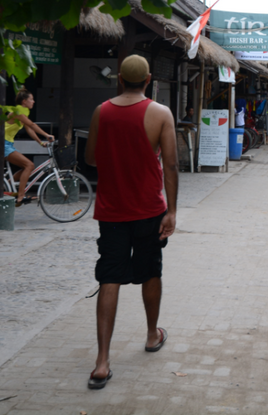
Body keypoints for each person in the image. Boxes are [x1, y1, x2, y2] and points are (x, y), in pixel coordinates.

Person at [84, 55, 178, 391]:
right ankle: (152, 335)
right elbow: (171, 165)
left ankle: (102, 362)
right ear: (149, 79)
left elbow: (91, 158)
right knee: (151, 271)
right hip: (149, 209)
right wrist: (172, 211)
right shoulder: (160, 114)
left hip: (111, 210)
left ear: (120, 79)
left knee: (109, 277)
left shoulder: (101, 111)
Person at [5, 89, 54, 207]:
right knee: (29, 165)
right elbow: (32, 125)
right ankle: (20, 196)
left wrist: (41, 143)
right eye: (31, 99)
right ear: (24, 101)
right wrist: (46, 135)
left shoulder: (23, 113)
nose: (34, 101)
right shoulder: (18, 112)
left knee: (27, 167)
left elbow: (29, 129)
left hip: (7, 144)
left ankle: (7, 185)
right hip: (3, 144)